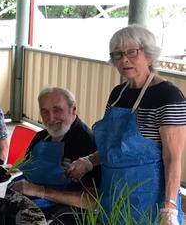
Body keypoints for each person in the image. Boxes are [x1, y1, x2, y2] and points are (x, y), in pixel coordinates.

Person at [66, 25, 186, 225]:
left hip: (149, 199)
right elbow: (112, 148)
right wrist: (88, 161)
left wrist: (170, 207)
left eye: (132, 52)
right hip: (112, 193)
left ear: (148, 54)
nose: (124, 59)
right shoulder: (117, 94)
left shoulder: (169, 96)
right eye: (118, 54)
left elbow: (172, 158)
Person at [11, 87, 99, 224]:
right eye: (45, 112)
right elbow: (24, 169)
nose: (51, 118)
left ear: (73, 109)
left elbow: (91, 200)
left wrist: (40, 191)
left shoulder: (86, 141)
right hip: (28, 199)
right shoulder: (41, 136)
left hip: (59, 212)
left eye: (57, 110)